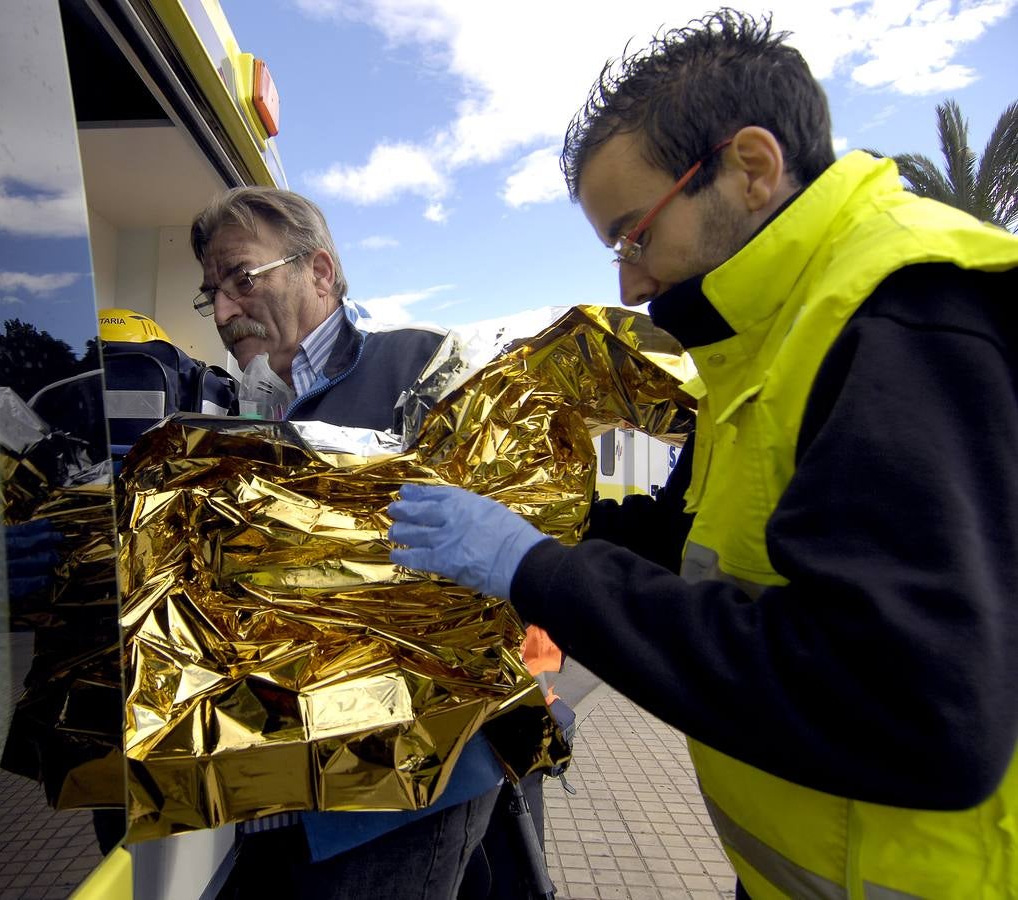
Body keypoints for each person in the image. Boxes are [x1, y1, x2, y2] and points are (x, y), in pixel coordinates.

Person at [387, 9, 1018, 899]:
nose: (629, 282)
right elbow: (699, 547)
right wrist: (547, 509)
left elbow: (912, 712)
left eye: (632, 235)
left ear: (749, 168)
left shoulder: (903, 319)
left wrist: (532, 568)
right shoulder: (774, 338)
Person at [189, 186, 513, 900]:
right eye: (210, 291)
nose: (222, 310)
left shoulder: (425, 369)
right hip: (275, 787)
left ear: (320, 271)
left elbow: (497, 559)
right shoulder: (226, 412)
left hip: (405, 783)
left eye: (242, 278)